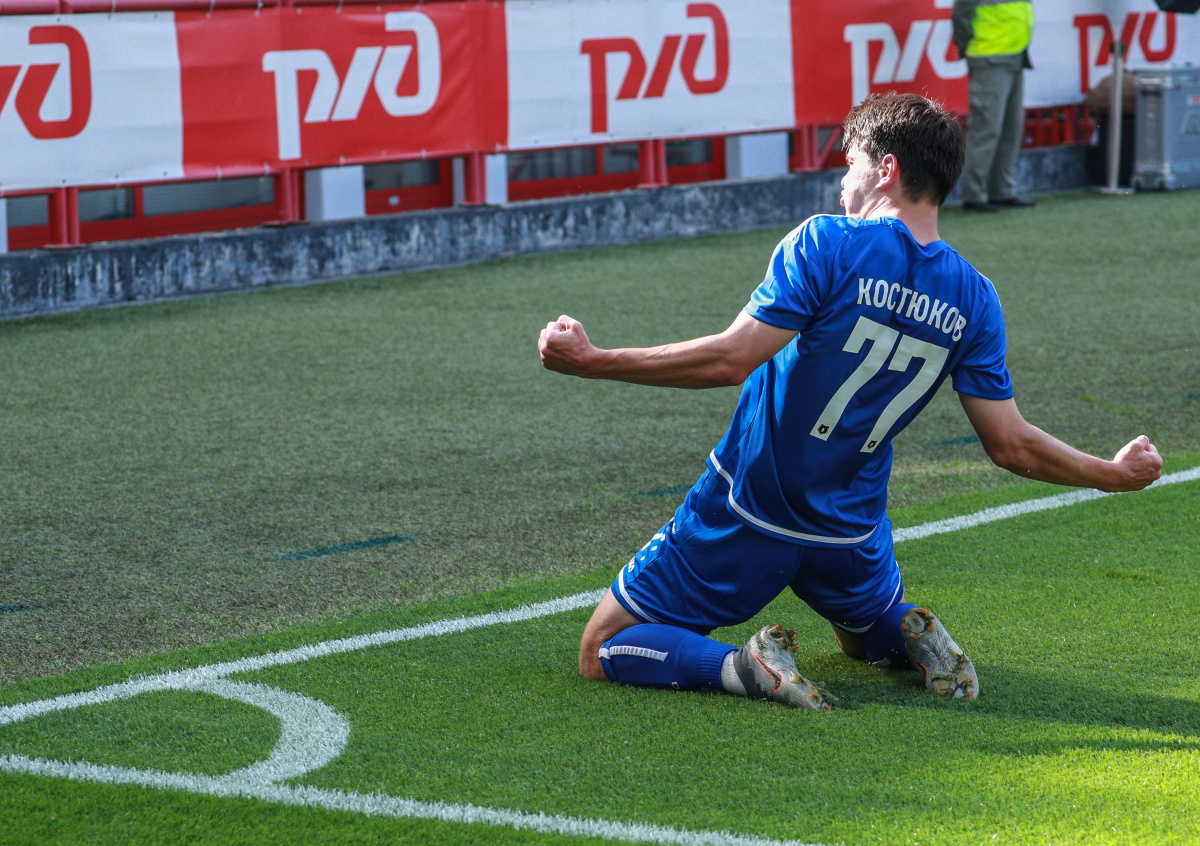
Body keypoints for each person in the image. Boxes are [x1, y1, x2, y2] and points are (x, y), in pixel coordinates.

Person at [537, 93, 1162, 709]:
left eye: (851, 163)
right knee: (861, 639)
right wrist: (1109, 474)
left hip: (752, 509)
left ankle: (744, 667)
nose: (842, 182)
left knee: (603, 647)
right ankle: (905, 634)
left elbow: (730, 360)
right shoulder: (976, 298)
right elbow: (1010, 444)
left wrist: (594, 361)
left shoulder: (826, 243)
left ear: (886, 168)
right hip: (851, 529)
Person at [952, 0, 1037, 211]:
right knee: (987, 129)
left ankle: (1002, 191)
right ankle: (975, 195)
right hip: (989, 58)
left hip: (1014, 55)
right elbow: (961, 14)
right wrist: (971, 46)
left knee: (1011, 129)